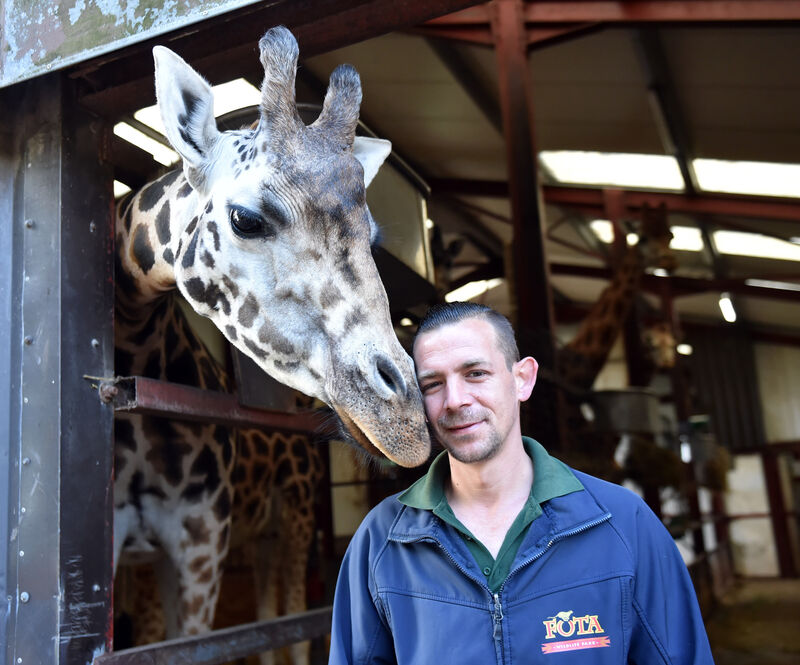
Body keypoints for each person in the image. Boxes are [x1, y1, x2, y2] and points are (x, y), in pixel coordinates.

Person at [328, 301, 714, 664]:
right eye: (433, 384)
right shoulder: (382, 540)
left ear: (522, 380)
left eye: (475, 374)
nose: (455, 400)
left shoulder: (622, 522)